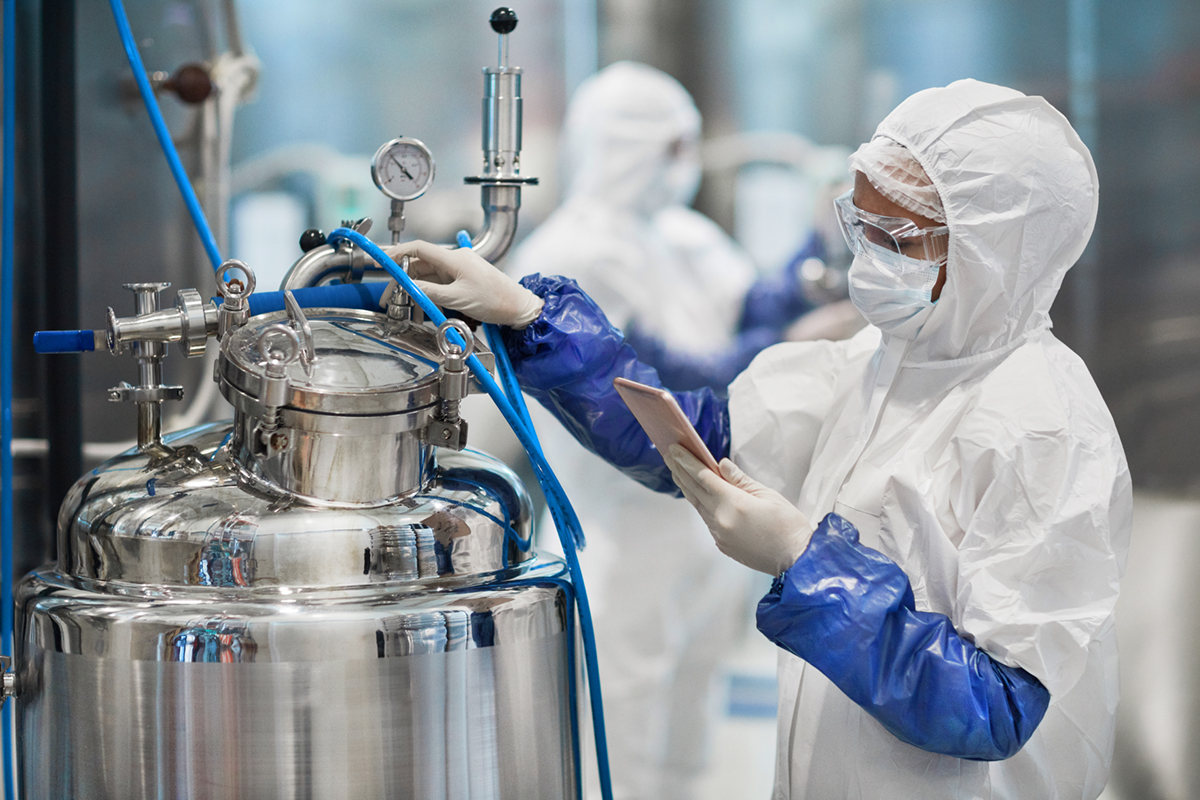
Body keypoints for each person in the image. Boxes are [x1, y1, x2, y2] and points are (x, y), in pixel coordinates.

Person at [390, 78, 1131, 799]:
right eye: (858, 227)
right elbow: (696, 439)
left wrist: (808, 565)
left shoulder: (1043, 428)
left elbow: (995, 705)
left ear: (993, 252)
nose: (867, 258)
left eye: (893, 238)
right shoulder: (876, 367)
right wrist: (529, 316)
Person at [504, 61, 818, 800]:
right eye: (674, 146)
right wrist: (797, 343)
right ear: (630, 146)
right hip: (617, 533)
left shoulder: (680, 234)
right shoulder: (573, 252)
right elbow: (651, 383)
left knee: (688, 733)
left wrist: (819, 259)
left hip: (699, 532)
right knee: (619, 736)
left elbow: (751, 310)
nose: (685, 166)